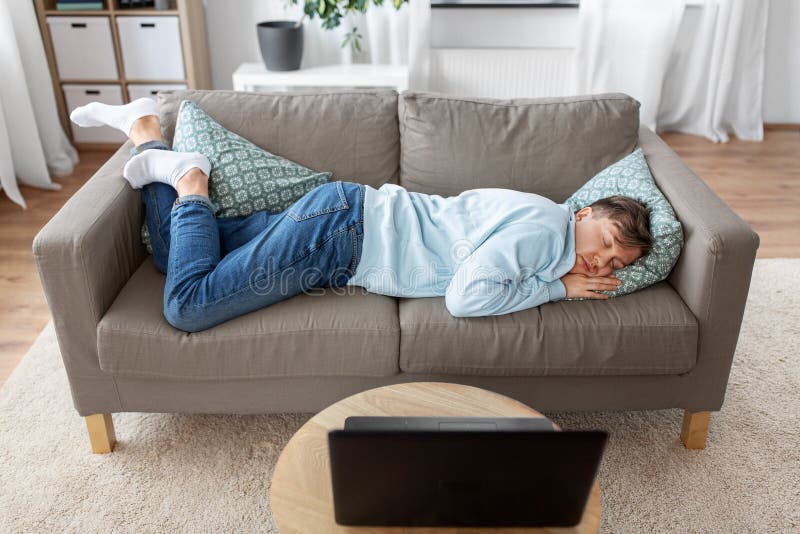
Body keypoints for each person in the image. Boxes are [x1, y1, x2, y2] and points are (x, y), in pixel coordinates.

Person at [70, 99, 651, 332]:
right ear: (586, 211)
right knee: (188, 306)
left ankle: (146, 132)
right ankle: (191, 178)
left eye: (614, 263)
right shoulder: (547, 234)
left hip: (343, 220)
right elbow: (466, 298)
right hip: (341, 238)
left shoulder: (545, 218)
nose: (600, 261)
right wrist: (557, 288)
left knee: (173, 253)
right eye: (605, 241)